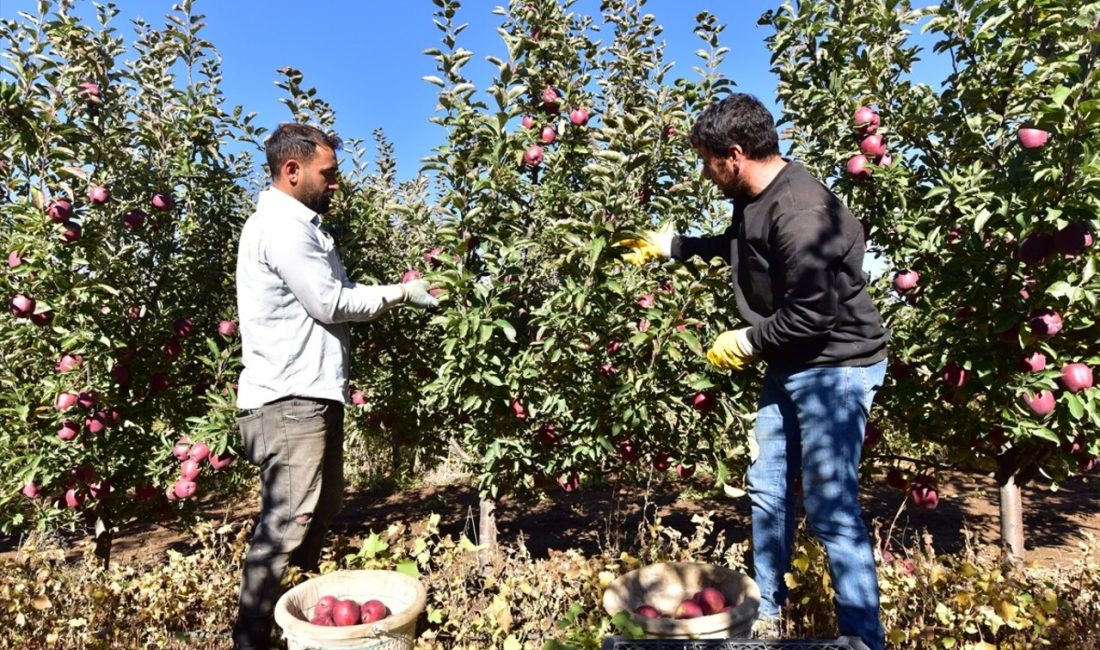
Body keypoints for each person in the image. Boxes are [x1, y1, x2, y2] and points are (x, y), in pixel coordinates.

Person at [621, 94, 888, 650]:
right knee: (766, 488)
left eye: (706, 161)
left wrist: (747, 338)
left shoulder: (799, 210)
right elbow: (746, 248)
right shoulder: (756, 196)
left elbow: (812, 316)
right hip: (791, 362)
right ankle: (765, 613)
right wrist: (677, 246)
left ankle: (864, 639)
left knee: (830, 507)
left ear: (734, 155)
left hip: (835, 368)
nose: (704, 172)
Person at [232, 123, 438, 650]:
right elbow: (331, 301)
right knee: (288, 523)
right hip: (288, 401)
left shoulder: (301, 226)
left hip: (308, 397)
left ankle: (299, 626)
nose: (336, 184)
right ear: (292, 170)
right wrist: (401, 293)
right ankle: (252, 640)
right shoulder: (282, 227)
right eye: (329, 173)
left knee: (315, 513)